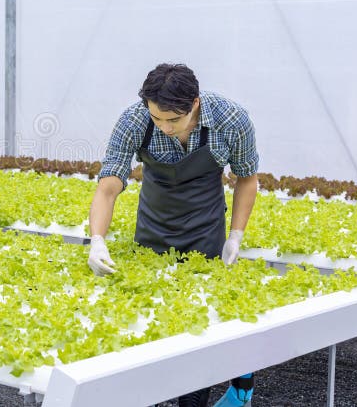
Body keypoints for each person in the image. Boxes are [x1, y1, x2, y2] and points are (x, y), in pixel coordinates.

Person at [87, 63, 259, 407]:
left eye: (172, 120)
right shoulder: (134, 120)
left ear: (194, 103)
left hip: (205, 226)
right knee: (151, 321)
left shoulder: (231, 119)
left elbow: (247, 177)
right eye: (157, 119)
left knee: (198, 324)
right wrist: (97, 240)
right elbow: (108, 187)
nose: (163, 127)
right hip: (153, 225)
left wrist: (235, 235)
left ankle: (208, 393)